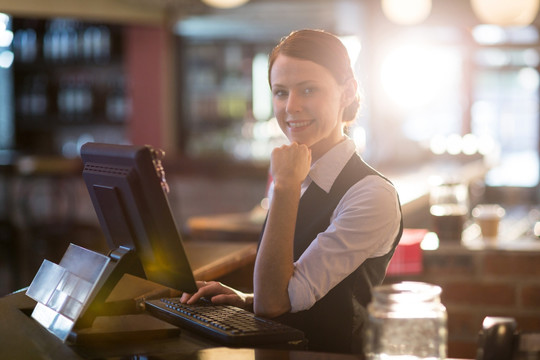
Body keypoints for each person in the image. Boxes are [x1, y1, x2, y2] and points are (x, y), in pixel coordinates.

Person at [180, 29, 403, 354]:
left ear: (347, 92)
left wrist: (285, 186)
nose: (291, 107)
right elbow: (293, 288)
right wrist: (246, 300)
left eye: (308, 89)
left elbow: (275, 304)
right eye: (281, 92)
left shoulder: (371, 194)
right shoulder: (297, 172)